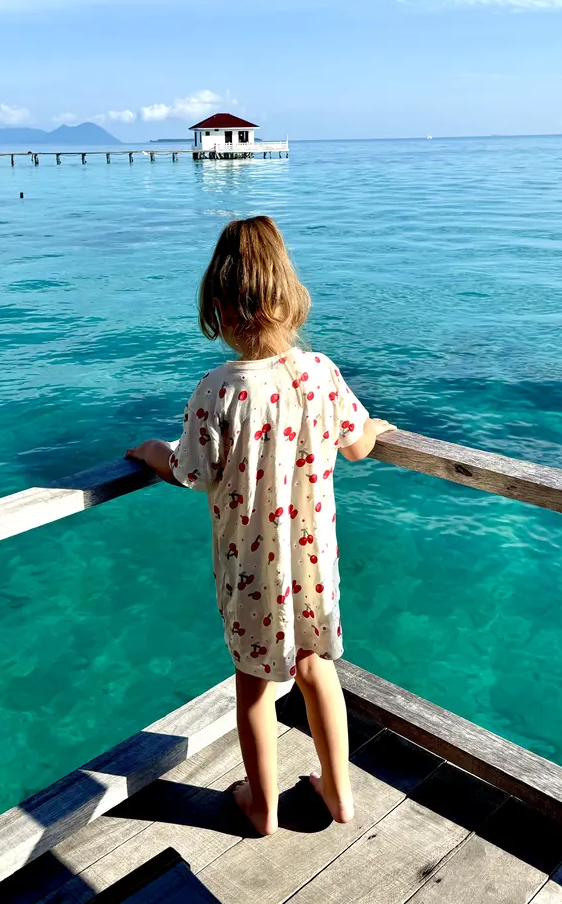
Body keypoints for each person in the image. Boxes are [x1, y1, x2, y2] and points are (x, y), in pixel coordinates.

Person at [126, 215, 392, 836]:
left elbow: (188, 469)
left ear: (218, 307)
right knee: (316, 666)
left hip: (251, 572)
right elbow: (357, 444)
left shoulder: (218, 390)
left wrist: (146, 452)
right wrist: (380, 429)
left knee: (254, 684)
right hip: (314, 566)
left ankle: (262, 806)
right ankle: (339, 791)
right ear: (289, 297)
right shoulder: (321, 372)